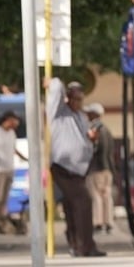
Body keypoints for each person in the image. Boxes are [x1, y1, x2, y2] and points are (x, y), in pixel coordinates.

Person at [45, 78, 105, 257]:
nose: (77, 102)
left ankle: (77, 245)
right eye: (74, 98)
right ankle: (85, 245)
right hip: (63, 166)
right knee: (83, 202)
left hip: (78, 169)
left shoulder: (81, 116)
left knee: (72, 207)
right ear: (67, 98)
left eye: (80, 99)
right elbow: (56, 88)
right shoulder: (58, 112)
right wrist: (53, 81)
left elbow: (84, 138)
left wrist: (92, 139)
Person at [85, 102, 115, 234]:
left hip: (96, 168)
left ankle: (97, 222)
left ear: (94, 114)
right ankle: (108, 222)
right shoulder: (107, 129)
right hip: (107, 168)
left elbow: (94, 148)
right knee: (106, 196)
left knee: (96, 196)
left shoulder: (94, 128)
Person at [0, 111, 24, 233]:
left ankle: (1, 219)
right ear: (8, 120)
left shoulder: (12, 133)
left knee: (5, 197)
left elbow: (13, 149)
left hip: (10, 168)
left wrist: (24, 158)